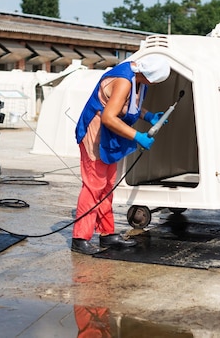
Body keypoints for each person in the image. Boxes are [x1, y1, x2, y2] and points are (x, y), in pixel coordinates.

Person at [71, 54, 171, 255]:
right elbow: (109, 117)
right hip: (96, 132)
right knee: (93, 186)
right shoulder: (124, 80)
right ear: (151, 76)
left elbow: (127, 104)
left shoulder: (137, 78)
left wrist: (148, 115)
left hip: (109, 135)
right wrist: (138, 136)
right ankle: (80, 238)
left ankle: (107, 234)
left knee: (107, 185)